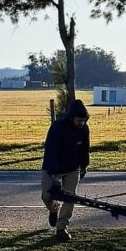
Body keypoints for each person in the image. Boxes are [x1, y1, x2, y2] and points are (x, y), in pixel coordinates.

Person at [41, 99, 90, 241]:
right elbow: (50, 150)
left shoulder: (84, 129)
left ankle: (62, 228)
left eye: (84, 120)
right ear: (71, 117)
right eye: (79, 120)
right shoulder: (58, 127)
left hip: (72, 168)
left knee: (70, 197)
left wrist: (84, 165)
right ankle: (53, 209)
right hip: (53, 167)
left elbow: (85, 149)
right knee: (46, 196)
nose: (81, 123)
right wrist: (53, 173)